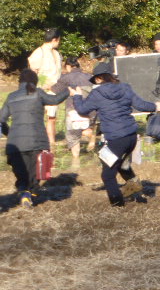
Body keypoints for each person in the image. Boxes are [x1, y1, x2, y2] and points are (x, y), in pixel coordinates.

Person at [71, 62, 160, 206]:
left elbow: (82, 109)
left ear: (99, 78)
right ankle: (136, 190)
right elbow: (141, 105)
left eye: (95, 79)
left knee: (107, 175)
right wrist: (156, 106)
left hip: (116, 139)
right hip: (131, 137)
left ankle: (117, 204)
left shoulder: (97, 93)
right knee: (122, 165)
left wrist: (76, 96)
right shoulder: (125, 88)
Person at [0, 69, 69, 208]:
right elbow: (55, 100)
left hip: (15, 143)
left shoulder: (11, 96)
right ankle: (30, 194)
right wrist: (68, 91)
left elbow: (1, 120)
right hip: (36, 141)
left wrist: (10, 133)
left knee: (21, 174)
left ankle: (24, 193)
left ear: (19, 82)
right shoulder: (37, 93)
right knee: (35, 173)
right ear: (35, 81)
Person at [51, 57, 96, 169]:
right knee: (87, 129)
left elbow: (55, 90)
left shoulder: (66, 78)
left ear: (68, 66)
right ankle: (92, 140)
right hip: (90, 110)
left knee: (73, 137)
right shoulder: (89, 77)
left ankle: (76, 162)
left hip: (73, 111)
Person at [28, 28, 63, 150]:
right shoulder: (39, 52)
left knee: (52, 117)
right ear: (55, 39)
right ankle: (38, 142)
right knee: (38, 116)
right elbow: (32, 74)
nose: (59, 42)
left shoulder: (56, 53)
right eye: (59, 40)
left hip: (54, 90)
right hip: (40, 90)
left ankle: (51, 142)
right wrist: (43, 85)